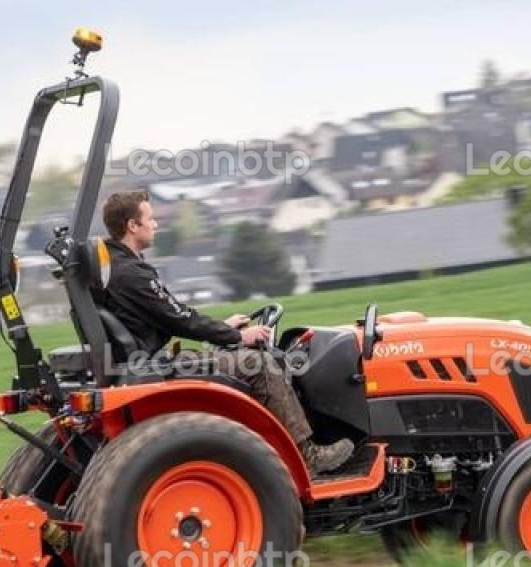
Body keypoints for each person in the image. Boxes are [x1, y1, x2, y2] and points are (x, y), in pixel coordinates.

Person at [97, 190, 354, 475]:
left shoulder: (113, 267)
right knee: (261, 365)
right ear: (133, 225)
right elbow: (180, 318)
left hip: (145, 362)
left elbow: (174, 315)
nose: (156, 225)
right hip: (156, 367)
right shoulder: (133, 273)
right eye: (151, 218)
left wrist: (223, 327)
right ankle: (309, 456)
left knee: (237, 358)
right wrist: (238, 336)